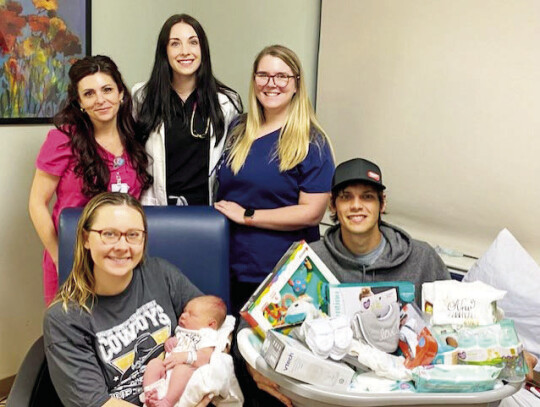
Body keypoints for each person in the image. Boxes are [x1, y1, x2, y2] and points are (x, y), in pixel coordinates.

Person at [235, 157, 451, 407]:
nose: (356, 206)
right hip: (327, 397)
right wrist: (254, 369)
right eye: (346, 197)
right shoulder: (308, 261)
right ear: (333, 206)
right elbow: (249, 324)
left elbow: (455, 328)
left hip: (402, 396)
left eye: (367, 197)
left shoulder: (422, 258)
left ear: (382, 204)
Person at [43, 192, 212, 407]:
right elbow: (97, 403)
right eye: (109, 234)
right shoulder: (64, 318)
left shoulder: (160, 272)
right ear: (86, 239)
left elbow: (213, 323)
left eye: (133, 235)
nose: (122, 246)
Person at [214, 45, 335, 315]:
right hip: (231, 262)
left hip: (281, 271)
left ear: (296, 85)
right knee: (232, 347)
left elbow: (312, 213)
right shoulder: (239, 128)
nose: (272, 84)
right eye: (263, 75)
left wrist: (248, 215)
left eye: (282, 76)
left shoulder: (311, 141)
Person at [28, 55, 152, 304]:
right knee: (70, 334)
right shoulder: (64, 139)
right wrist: (59, 255)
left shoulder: (137, 138)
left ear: (121, 94)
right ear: (80, 103)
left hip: (121, 260)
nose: (101, 100)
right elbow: (36, 203)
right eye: (89, 94)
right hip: (73, 258)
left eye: (107, 89)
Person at [133, 14, 242, 207]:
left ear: (203, 49)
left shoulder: (226, 103)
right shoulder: (142, 97)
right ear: (164, 51)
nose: (185, 51)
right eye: (175, 43)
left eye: (193, 42)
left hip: (207, 214)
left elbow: (234, 165)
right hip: (156, 211)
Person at [142, 295, 226, 407]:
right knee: (154, 364)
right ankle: (150, 394)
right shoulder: (183, 331)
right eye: (184, 311)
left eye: (191, 314)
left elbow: (206, 357)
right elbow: (179, 343)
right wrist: (170, 342)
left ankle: (167, 402)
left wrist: (185, 357)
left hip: (187, 376)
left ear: (210, 324)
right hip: (167, 373)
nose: (183, 315)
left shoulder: (207, 335)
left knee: (181, 370)